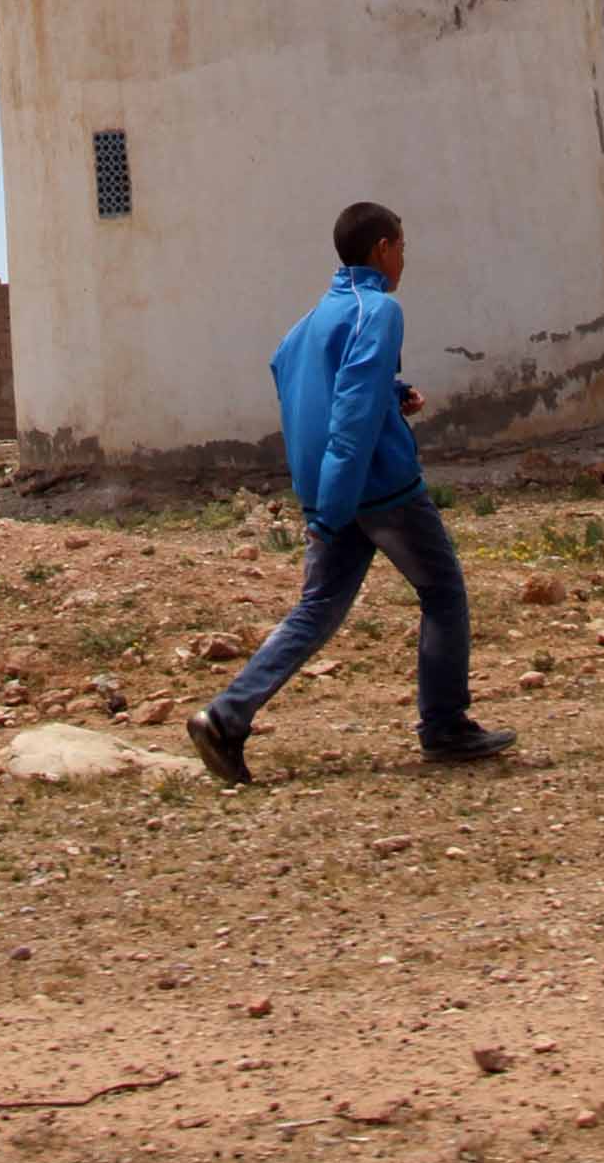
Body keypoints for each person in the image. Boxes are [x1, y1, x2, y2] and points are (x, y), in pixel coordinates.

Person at [187, 201, 515, 783]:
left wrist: (393, 392)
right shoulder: (380, 309)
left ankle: (225, 716)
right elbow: (353, 407)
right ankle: (444, 725)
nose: (404, 259)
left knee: (316, 611)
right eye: (403, 247)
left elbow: (299, 375)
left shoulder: (310, 320)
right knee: (443, 593)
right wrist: (337, 503)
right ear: (383, 249)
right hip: (380, 488)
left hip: (330, 492)